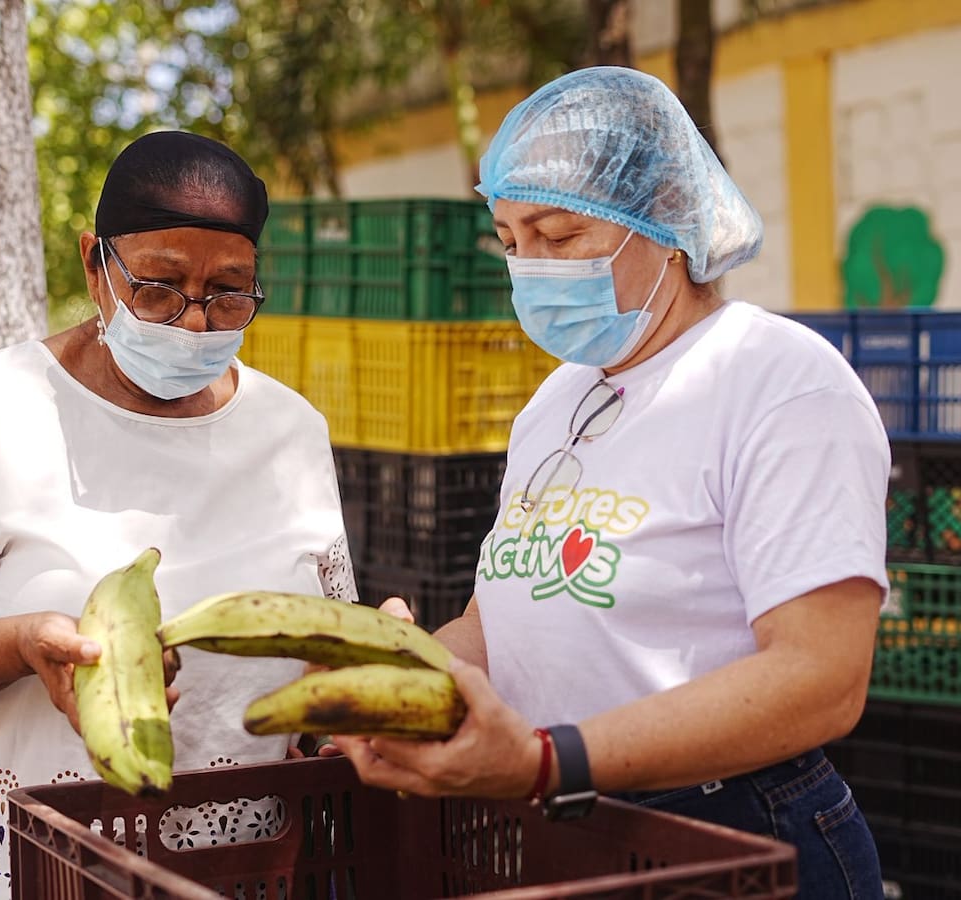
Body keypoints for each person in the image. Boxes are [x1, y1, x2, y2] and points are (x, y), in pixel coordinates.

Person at [335, 67, 888, 899]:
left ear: (664, 221)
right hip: (566, 816)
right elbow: (505, 616)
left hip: (730, 830)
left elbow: (822, 679)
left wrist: (550, 759)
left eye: (559, 236)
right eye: (513, 242)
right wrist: (401, 674)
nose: (532, 268)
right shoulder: (558, 399)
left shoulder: (778, 381)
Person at [0, 132, 356, 900]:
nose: (195, 324)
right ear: (95, 264)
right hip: (29, 874)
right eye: (159, 287)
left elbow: (315, 679)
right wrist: (19, 646)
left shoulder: (292, 432)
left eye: (230, 292)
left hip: (235, 873)